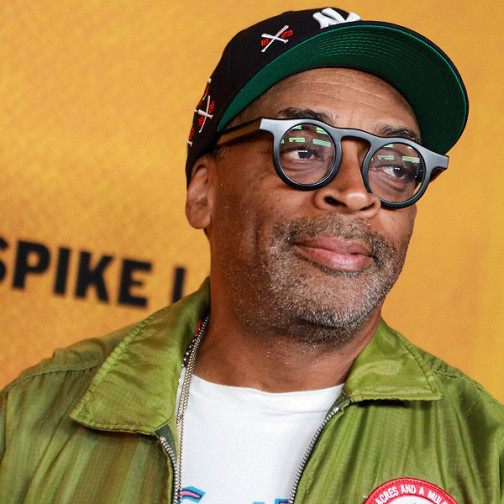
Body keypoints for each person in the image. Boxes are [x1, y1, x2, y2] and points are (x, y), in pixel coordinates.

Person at [0, 6, 502, 504]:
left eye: (395, 165)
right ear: (204, 193)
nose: (355, 192)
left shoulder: (487, 456)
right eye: (305, 148)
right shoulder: (28, 421)